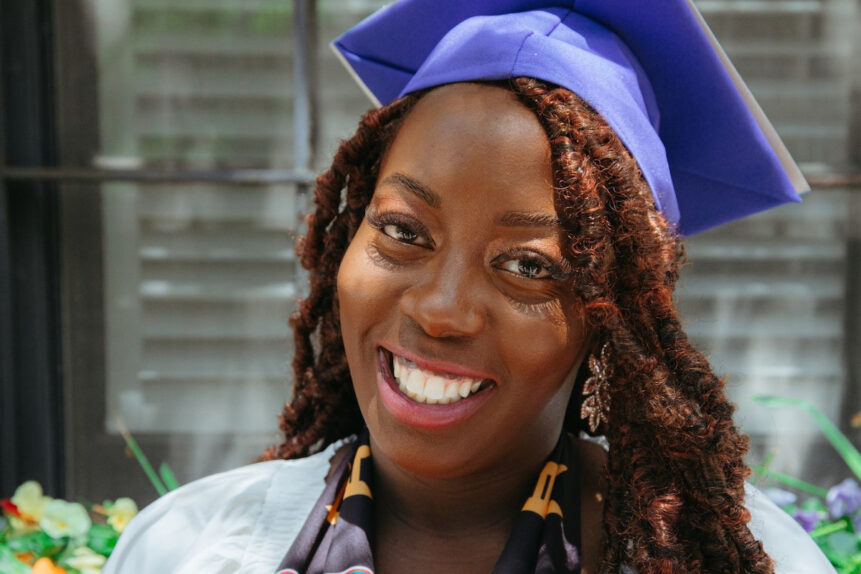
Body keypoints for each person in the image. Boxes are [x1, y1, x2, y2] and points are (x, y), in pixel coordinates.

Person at [103, 1, 836, 573]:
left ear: (610, 322)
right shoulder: (188, 550)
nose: (440, 309)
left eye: (528, 266)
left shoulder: (736, 562)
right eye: (402, 230)